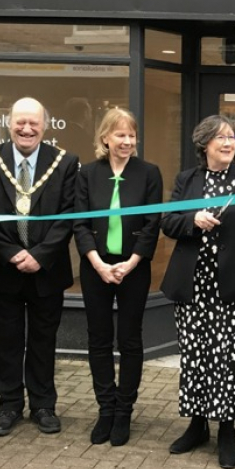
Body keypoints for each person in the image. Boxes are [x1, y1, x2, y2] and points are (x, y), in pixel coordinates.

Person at [161, 114, 235, 469]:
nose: (229, 143)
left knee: (228, 358)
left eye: (232, 138)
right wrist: (192, 221)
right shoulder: (187, 180)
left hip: (230, 284)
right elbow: (168, 222)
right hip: (193, 284)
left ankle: (226, 430)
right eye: (221, 138)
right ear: (204, 144)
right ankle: (197, 426)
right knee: (194, 355)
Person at [0, 97, 79, 437]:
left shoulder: (65, 163)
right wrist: (11, 252)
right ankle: (8, 404)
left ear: (45, 126)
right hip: (2, 267)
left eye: (33, 122)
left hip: (47, 270)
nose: (26, 128)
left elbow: (69, 216)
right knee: (5, 340)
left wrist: (40, 254)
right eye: (20, 122)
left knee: (43, 340)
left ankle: (42, 405)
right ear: (8, 124)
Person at [73, 108, 163, 446]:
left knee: (129, 339)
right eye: (120, 135)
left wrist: (132, 262)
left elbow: (153, 224)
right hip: (96, 266)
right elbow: (79, 223)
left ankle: (124, 411)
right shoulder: (87, 174)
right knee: (98, 339)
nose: (126, 141)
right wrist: (98, 264)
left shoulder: (149, 173)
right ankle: (105, 409)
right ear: (105, 138)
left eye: (131, 135)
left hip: (133, 268)